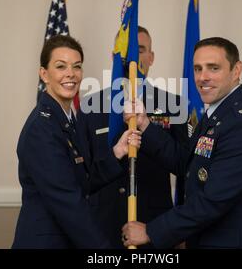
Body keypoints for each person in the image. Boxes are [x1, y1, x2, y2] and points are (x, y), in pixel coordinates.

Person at [122, 37, 242, 249]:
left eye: (213, 68)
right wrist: (144, 124)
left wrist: (152, 231)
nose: (202, 77)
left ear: (236, 70)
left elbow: (213, 201)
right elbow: (186, 164)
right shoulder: (217, 115)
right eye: (198, 69)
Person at [12, 35, 141, 249]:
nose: (70, 74)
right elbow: (68, 201)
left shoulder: (68, 120)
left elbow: (82, 181)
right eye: (61, 66)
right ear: (44, 74)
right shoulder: (42, 129)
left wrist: (117, 152)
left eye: (77, 66)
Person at [77, 26, 189, 248]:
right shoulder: (90, 106)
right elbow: (82, 173)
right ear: (114, 56)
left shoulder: (173, 105)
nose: (134, 58)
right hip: (102, 229)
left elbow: (183, 165)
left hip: (154, 227)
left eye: (141, 50)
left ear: (151, 57)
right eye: (126, 50)